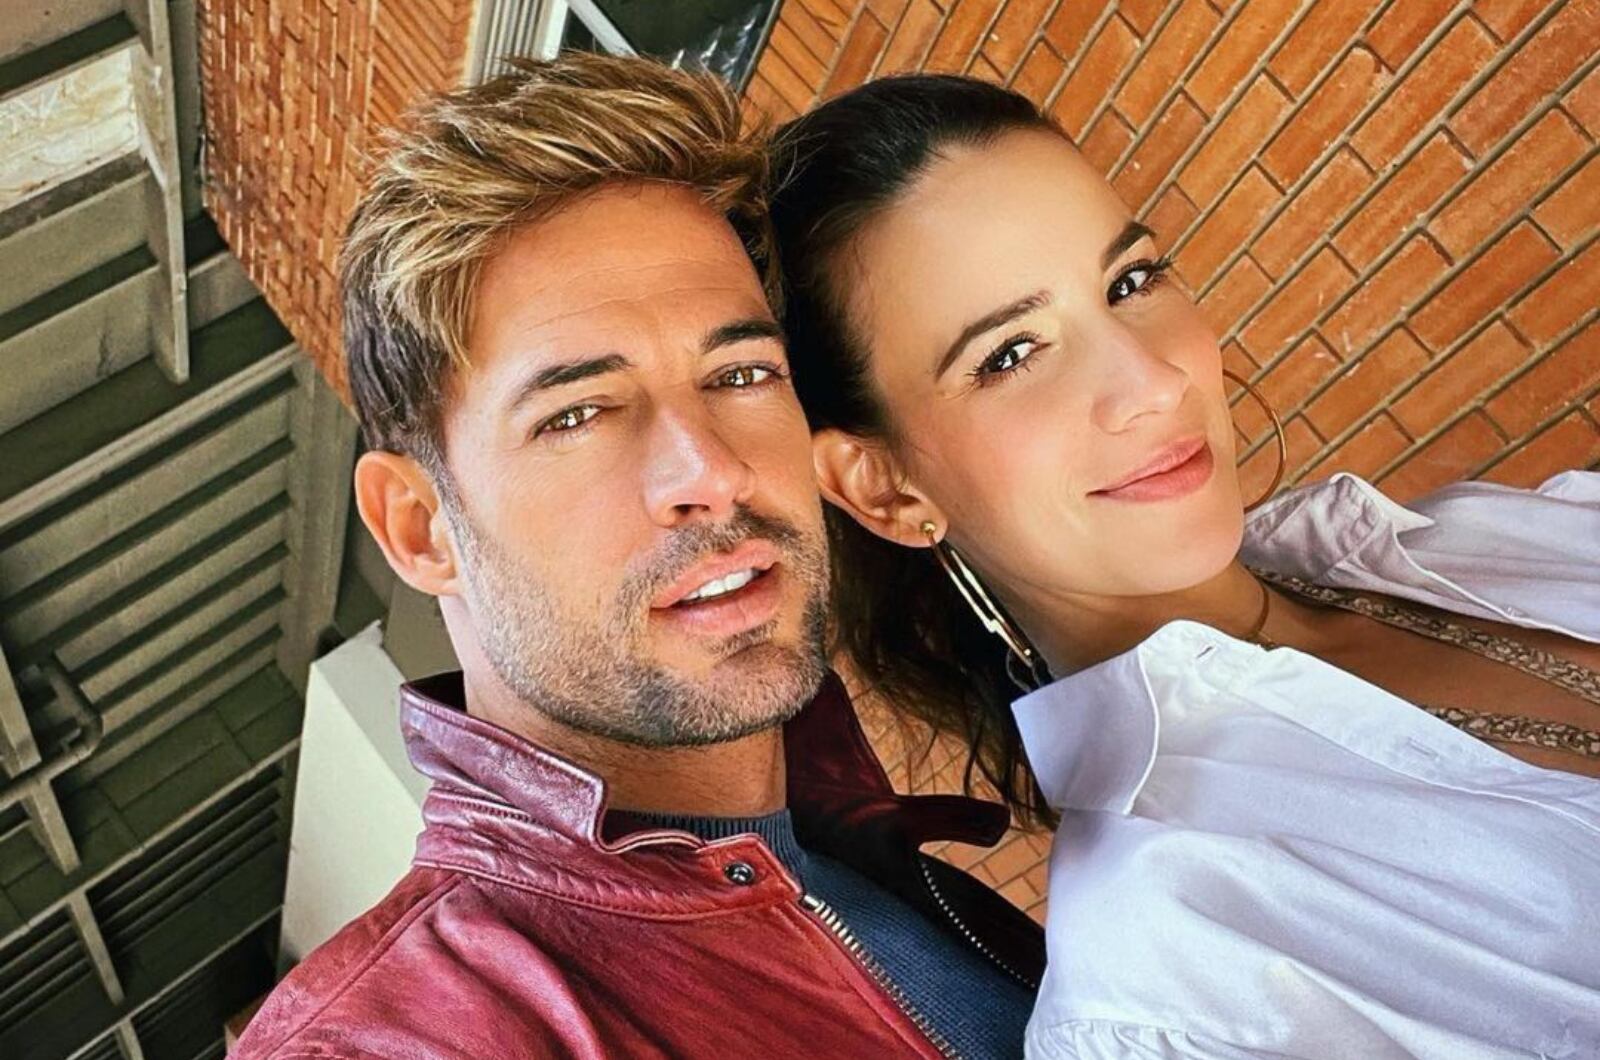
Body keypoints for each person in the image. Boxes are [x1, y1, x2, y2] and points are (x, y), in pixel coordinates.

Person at [765, 73, 1600, 1059]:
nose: (1152, 382)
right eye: (1011, 353)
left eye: (1130, 282)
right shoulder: (1177, 981)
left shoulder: (1452, 536)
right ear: (884, 488)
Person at [230, 55, 1043, 1060]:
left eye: (740, 373)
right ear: (420, 527)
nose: (712, 471)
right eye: (577, 414)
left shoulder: (843, 843)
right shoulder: (403, 1035)